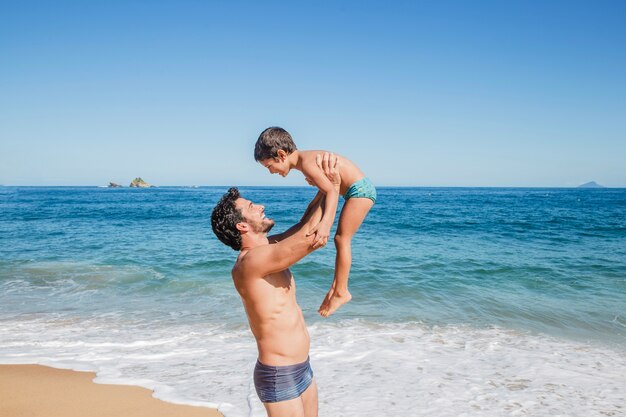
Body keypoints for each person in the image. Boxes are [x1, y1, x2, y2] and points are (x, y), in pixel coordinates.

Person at [210, 156, 340, 417]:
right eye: (251, 206)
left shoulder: (267, 248)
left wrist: (323, 186)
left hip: (302, 367)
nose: (260, 206)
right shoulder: (251, 262)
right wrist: (333, 188)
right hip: (279, 375)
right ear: (242, 225)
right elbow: (312, 240)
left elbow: (305, 226)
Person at [254, 126, 376, 317]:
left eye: (270, 166)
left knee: (341, 239)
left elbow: (330, 192)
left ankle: (342, 291)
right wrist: (305, 218)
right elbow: (323, 193)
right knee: (311, 221)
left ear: (281, 154)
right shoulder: (305, 162)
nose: (271, 172)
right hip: (353, 189)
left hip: (359, 191)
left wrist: (326, 224)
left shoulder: (308, 164)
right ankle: (335, 289)